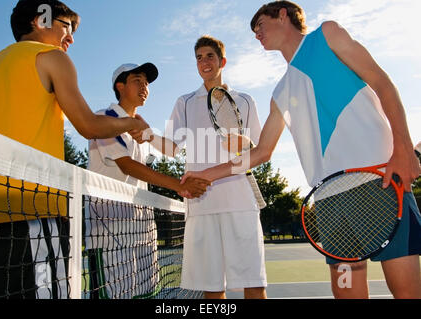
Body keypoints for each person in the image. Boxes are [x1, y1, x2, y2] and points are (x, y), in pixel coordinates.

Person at [182, 1, 421, 299]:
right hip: (329, 200)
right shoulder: (280, 92)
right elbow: (261, 153)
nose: (256, 33)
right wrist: (205, 174)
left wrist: (403, 148)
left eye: (260, 24)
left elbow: (382, 82)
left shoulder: (327, 35)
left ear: (283, 15)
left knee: (408, 293)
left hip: (377, 182)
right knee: (347, 293)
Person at [0, 0, 149, 299]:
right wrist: (131, 124)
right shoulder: (51, 57)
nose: (71, 38)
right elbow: (89, 125)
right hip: (33, 211)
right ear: (40, 20)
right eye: (66, 26)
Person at [85, 62, 210, 298]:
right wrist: (180, 186)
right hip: (109, 230)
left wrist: (149, 133)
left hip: (141, 229)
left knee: (146, 295)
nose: (144, 87)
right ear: (119, 86)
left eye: (146, 83)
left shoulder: (141, 128)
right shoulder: (104, 117)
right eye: (137, 81)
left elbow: (171, 151)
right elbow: (126, 165)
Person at [165, 35, 267, 299]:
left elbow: (259, 149)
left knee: (254, 285)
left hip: (240, 202)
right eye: (199, 57)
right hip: (202, 205)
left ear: (222, 61)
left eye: (209, 56)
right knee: (212, 289)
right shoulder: (184, 102)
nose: (204, 62)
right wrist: (142, 133)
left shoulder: (245, 100)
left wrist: (243, 141)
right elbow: (170, 147)